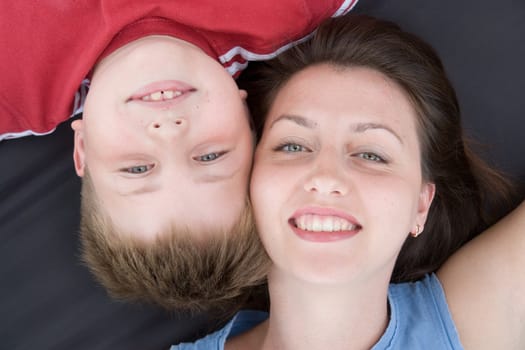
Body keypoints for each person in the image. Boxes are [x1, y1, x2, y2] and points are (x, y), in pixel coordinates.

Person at [173, 14, 525, 349]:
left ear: (421, 204)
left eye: (372, 155)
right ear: (251, 177)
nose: (325, 177)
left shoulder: (475, 325)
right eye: (293, 145)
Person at [0, 0, 359, 312]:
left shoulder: (14, 91)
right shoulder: (289, 10)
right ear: (249, 122)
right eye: (210, 157)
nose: (170, 131)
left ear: (83, 152)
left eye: (138, 168)